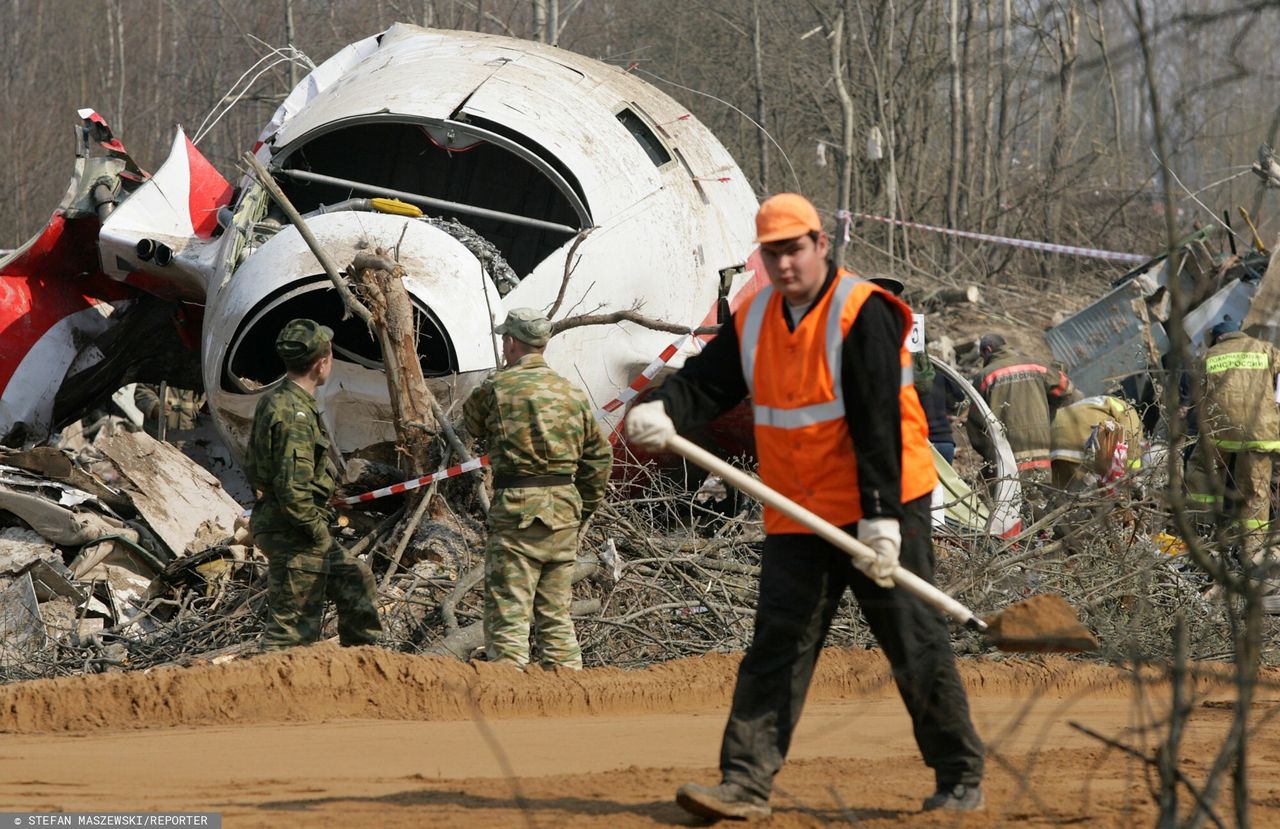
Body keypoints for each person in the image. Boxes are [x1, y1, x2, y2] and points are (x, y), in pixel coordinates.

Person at [625, 193, 984, 818]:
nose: (786, 264)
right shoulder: (756, 314)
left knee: (912, 636)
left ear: (820, 246)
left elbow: (878, 423)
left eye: (795, 250)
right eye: (773, 253)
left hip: (885, 500)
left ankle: (958, 775)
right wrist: (664, 407)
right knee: (779, 642)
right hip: (795, 507)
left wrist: (882, 519)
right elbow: (709, 382)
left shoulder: (862, 313)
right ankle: (745, 783)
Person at [462, 308, 613, 670]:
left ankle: (510, 694)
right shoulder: (572, 394)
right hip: (563, 511)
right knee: (556, 614)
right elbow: (599, 457)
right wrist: (583, 506)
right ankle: (566, 691)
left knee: (509, 612)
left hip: (518, 511)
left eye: (504, 339)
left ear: (511, 342)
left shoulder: (496, 388)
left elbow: (471, 422)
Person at [244, 319, 381, 651]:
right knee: (291, 636)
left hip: (295, 528)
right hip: (294, 532)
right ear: (323, 363)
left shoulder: (278, 400)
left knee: (355, 580)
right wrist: (317, 534)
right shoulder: (295, 415)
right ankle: (271, 696)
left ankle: (363, 668)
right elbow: (294, 489)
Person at [1186, 316, 1280, 582]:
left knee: (1202, 473)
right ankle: (1251, 553)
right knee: (1255, 490)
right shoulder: (1266, 349)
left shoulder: (1209, 356)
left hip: (1219, 432)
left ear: (1218, 338)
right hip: (1260, 431)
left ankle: (1202, 537)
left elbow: (1197, 398)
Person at [969, 334, 1079, 482]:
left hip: (1007, 455)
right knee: (1039, 496)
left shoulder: (984, 377)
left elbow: (976, 423)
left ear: (988, 350)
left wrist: (989, 453)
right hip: (1041, 449)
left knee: (1010, 500)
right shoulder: (1037, 365)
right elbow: (1066, 388)